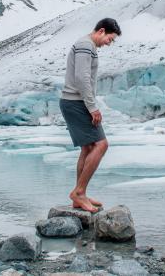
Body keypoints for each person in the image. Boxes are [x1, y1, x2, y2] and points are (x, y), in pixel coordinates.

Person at [59, 18, 121, 213]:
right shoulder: (86, 45)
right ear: (101, 31)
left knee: (88, 148)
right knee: (102, 145)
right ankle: (78, 192)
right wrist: (93, 107)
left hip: (74, 102)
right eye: (109, 39)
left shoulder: (86, 45)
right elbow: (82, 78)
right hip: (76, 102)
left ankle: (80, 195)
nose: (108, 44)